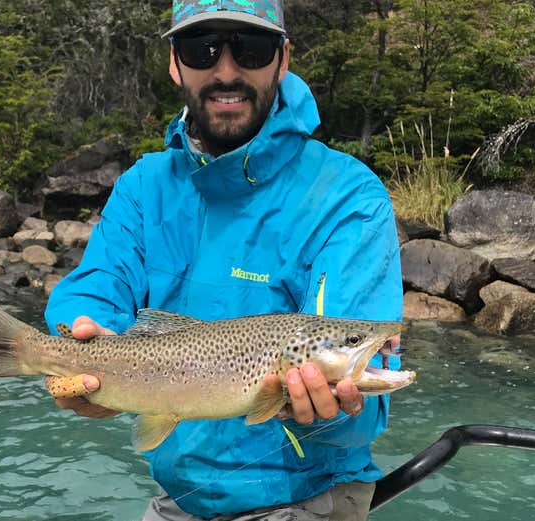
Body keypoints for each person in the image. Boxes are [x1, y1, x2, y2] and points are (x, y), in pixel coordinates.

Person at [43, 1, 403, 519]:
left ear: (282, 59)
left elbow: (365, 411)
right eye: (202, 48)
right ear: (175, 61)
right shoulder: (143, 187)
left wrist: (333, 411)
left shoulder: (348, 197)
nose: (226, 70)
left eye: (250, 48)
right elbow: (97, 286)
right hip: (177, 498)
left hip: (306, 498)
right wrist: (77, 338)